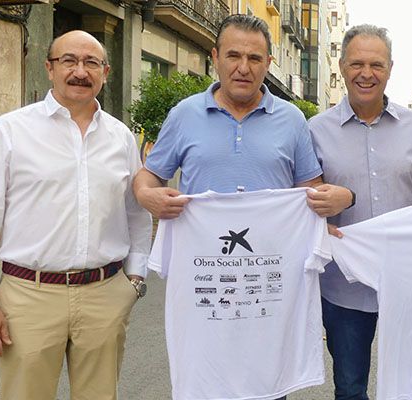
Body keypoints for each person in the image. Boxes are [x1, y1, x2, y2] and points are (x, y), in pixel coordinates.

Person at [132, 14, 349, 400]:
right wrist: (148, 196)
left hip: (269, 288)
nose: (243, 68)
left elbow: (311, 193)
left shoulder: (292, 120)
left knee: (268, 383)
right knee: (206, 380)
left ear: (268, 63)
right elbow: (147, 178)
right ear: (215, 57)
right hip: (207, 286)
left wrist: (338, 198)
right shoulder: (184, 115)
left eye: (255, 58)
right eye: (234, 56)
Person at [0, 30, 152, 400]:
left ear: (106, 71)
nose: (80, 72)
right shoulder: (10, 131)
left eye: (91, 63)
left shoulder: (120, 138)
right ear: (49, 68)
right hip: (28, 296)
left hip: (105, 294)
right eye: (69, 61)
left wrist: (134, 280)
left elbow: (136, 213)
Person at [307, 24, 412, 400]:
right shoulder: (315, 131)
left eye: (376, 65)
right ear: (341, 66)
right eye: (357, 64)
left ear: (389, 69)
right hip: (343, 285)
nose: (366, 74)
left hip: (410, 281)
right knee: (350, 388)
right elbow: (303, 199)